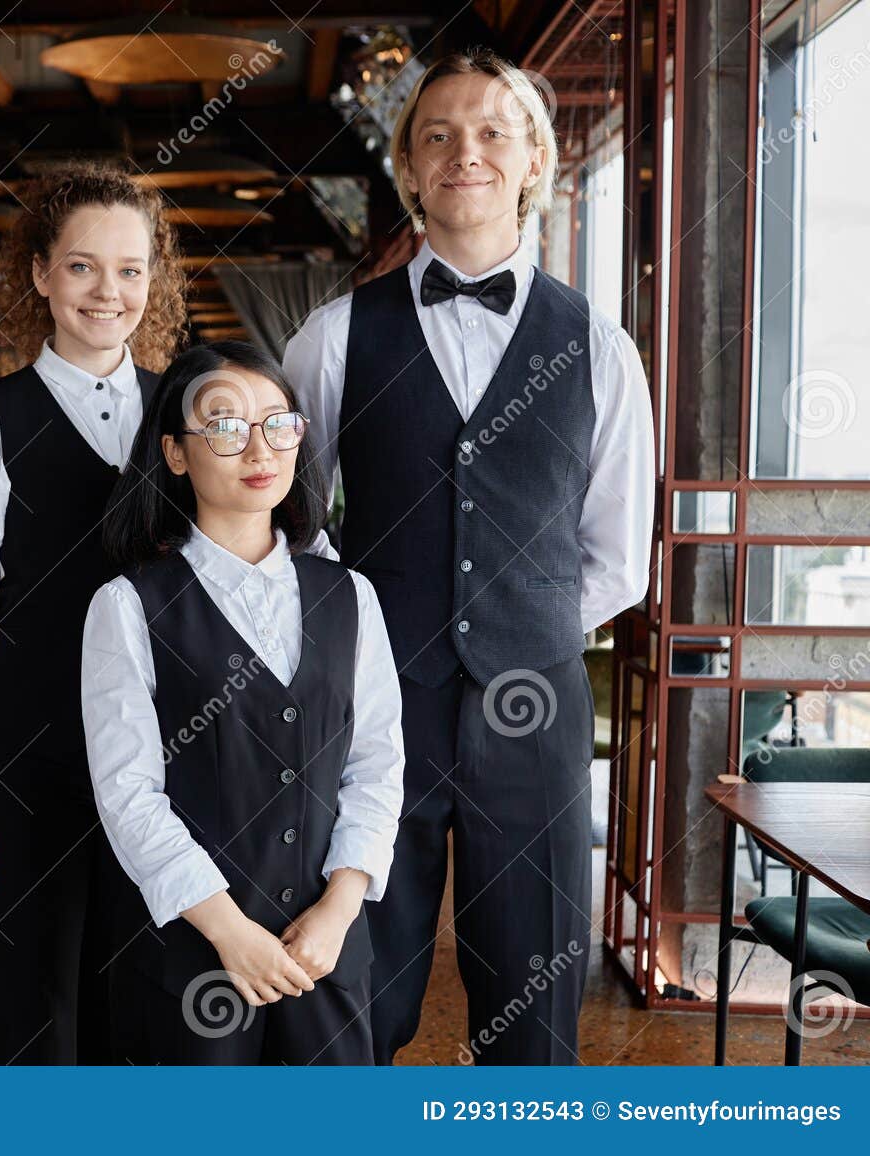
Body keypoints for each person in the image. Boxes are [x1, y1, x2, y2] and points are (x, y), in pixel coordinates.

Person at [282, 48, 655, 1064]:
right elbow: (283, 521)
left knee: (532, 1012)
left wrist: (513, 627)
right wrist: (357, 633)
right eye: (437, 134)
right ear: (407, 167)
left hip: (532, 720)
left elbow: (618, 556)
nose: (465, 152)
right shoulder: (331, 337)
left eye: (493, 130)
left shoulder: (602, 346)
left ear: (536, 159)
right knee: (350, 993)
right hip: (369, 717)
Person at [0, 164, 188, 1064]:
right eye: (81, 268)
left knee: (143, 988)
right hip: (28, 752)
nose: (107, 292)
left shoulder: (183, 415)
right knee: (25, 1002)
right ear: (39, 275)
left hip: (164, 757)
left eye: (128, 269)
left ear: (153, 281)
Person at [83, 341, 405, 1064]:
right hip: (194, 962)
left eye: (277, 423)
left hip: (327, 957)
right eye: (224, 426)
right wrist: (229, 931)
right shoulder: (127, 606)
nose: (257, 447)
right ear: (174, 453)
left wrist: (339, 908)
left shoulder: (351, 596)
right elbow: (129, 796)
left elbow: (378, 767)